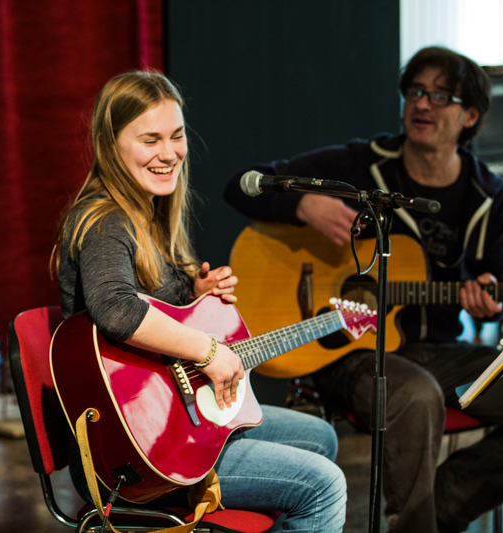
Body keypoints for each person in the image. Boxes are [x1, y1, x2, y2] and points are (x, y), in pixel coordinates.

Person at [224, 46, 503, 533]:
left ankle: (429, 517)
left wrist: (494, 296)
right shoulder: (360, 165)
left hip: (438, 348)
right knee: (416, 394)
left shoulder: (490, 196)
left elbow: (502, 289)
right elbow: (241, 186)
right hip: (349, 350)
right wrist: (302, 205)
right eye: (415, 92)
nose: (423, 104)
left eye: (440, 95)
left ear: (470, 115)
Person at [51, 70, 347, 532]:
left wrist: (194, 297)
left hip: (175, 418)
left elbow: (151, 306)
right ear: (111, 145)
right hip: (132, 450)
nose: (169, 154)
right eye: (150, 140)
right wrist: (210, 351)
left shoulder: (148, 211)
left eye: (176, 135)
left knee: (320, 436)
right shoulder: (106, 220)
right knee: (324, 485)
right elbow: (116, 309)